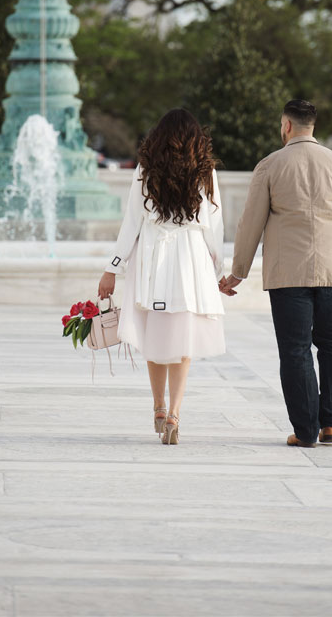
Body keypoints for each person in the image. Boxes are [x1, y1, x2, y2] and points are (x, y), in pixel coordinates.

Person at [219, 100, 332, 448]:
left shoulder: (270, 165)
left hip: (289, 272)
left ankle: (304, 430)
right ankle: (331, 425)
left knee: (295, 349)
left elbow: (250, 223)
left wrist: (237, 272)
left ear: (286, 125)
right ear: (311, 126)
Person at [98, 108, 226, 445]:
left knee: (154, 336)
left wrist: (112, 267)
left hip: (153, 256)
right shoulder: (206, 172)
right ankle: (174, 414)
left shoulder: (146, 169)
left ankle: (157, 407)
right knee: (182, 339)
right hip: (190, 259)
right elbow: (214, 226)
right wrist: (220, 270)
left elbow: (131, 223)